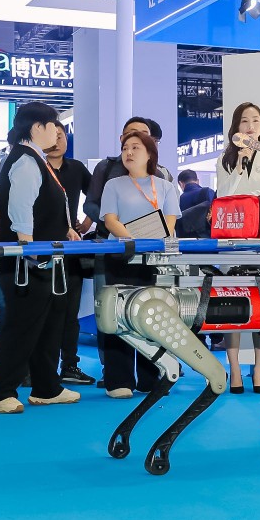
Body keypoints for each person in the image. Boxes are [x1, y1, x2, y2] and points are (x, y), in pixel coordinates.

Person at [0, 102, 80, 414]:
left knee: (48, 327)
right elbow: (21, 211)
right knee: (21, 327)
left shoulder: (36, 159)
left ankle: (47, 388)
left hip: (45, 261)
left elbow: (46, 206)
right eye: (54, 125)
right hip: (27, 263)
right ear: (37, 127)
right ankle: (0, 393)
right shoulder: (25, 160)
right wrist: (28, 250)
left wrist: (67, 230)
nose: (58, 132)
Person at [98, 130, 181, 399]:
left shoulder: (166, 186)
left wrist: (149, 243)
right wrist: (132, 240)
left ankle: (151, 377)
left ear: (150, 154)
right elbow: (110, 220)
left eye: (135, 147)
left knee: (152, 316)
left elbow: (170, 221)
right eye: (125, 148)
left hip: (153, 259)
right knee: (118, 315)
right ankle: (118, 379)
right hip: (121, 256)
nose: (129, 152)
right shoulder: (114, 185)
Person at [215, 102, 260, 392]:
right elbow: (223, 195)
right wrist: (239, 168)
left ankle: (258, 370)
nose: (251, 126)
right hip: (232, 237)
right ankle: (233, 369)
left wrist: (243, 198)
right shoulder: (226, 158)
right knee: (233, 304)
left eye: (256, 120)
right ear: (236, 126)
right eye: (245, 121)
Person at [46, 134, 95, 387]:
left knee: (70, 312)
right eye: (51, 135)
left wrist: (86, 222)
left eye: (60, 135)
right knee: (43, 312)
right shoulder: (35, 167)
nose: (56, 141)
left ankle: (69, 365)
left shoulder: (76, 168)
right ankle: (41, 367)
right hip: (41, 249)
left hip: (71, 250)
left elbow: (96, 196)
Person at [83, 116, 172, 224]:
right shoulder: (106, 167)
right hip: (108, 232)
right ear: (122, 138)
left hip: (145, 232)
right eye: (132, 133)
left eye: (144, 134)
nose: (138, 137)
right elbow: (90, 204)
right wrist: (111, 221)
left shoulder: (157, 174)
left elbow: (166, 210)